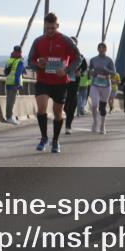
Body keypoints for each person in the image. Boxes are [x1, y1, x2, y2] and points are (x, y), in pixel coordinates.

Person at [27, 13, 81, 153]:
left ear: (57, 26)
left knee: (58, 113)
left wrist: (67, 70)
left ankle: (55, 141)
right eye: (47, 28)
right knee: (42, 108)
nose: (50, 31)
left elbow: (78, 59)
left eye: (53, 28)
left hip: (60, 82)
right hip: (43, 80)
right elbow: (30, 61)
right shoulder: (38, 41)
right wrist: (38, 64)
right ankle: (44, 138)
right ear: (44, 26)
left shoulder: (66, 41)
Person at [88, 42, 117, 134]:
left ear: (105, 49)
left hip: (106, 85)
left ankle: (102, 125)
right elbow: (89, 70)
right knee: (94, 104)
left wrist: (106, 70)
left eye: (103, 48)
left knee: (102, 106)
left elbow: (114, 73)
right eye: (99, 48)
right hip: (95, 84)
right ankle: (95, 121)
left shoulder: (109, 60)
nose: (101, 49)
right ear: (97, 49)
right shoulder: (93, 59)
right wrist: (91, 72)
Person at [63, 36, 87, 135]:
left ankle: (68, 125)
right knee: (65, 107)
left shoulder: (81, 57)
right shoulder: (63, 54)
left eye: (73, 43)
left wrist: (80, 73)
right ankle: (67, 112)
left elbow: (85, 69)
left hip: (74, 82)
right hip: (63, 82)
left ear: (76, 45)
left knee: (72, 102)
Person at [3, 45, 25, 124]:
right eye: (19, 52)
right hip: (14, 84)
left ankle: (9, 116)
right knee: (11, 102)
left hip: (8, 82)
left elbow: (5, 72)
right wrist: (17, 84)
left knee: (9, 101)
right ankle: (9, 117)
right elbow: (17, 74)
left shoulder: (10, 60)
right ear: (19, 52)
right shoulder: (19, 61)